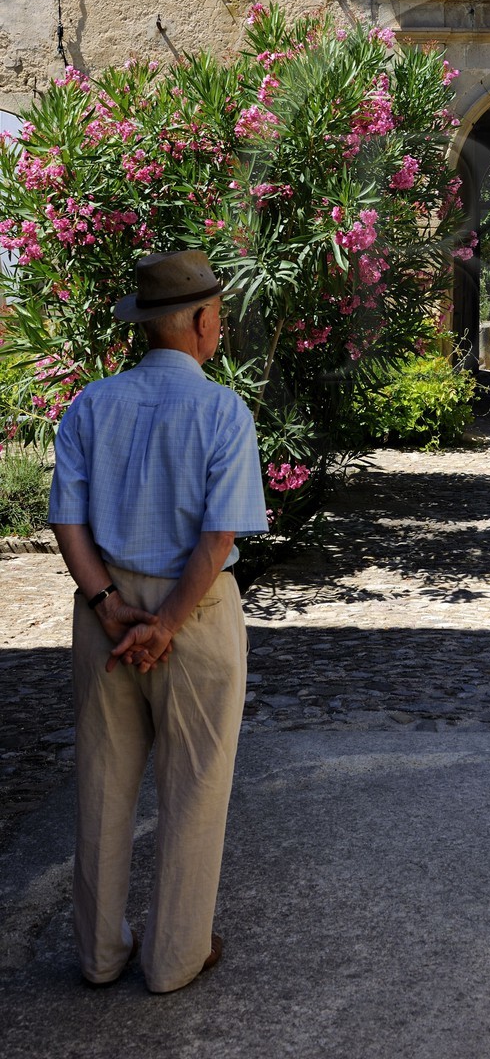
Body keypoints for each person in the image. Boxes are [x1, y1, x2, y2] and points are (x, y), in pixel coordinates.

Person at [48, 250, 268, 994]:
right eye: (219, 316)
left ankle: (100, 954)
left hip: (103, 615)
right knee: (196, 787)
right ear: (202, 322)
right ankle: (174, 957)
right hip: (194, 615)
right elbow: (218, 539)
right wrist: (167, 623)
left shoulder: (90, 405)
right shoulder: (221, 411)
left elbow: (67, 519)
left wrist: (109, 604)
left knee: (103, 788)